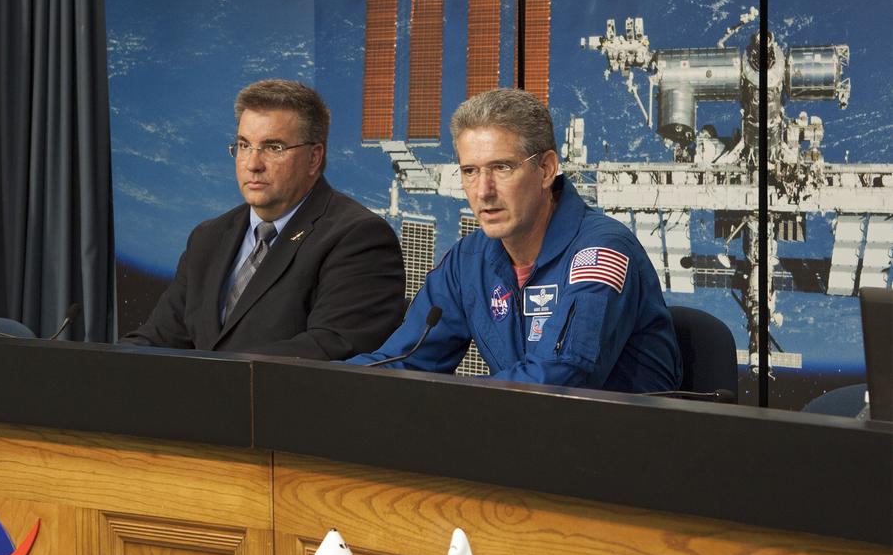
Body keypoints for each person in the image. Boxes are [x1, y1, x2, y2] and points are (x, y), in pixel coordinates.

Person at [348, 87, 681, 390]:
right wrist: (317, 384)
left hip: (622, 446)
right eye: (470, 171)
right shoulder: (468, 260)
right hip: (522, 438)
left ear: (547, 169)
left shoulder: (600, 250)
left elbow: (559, 378)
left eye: (502, 168)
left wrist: (448, 404)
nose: (483, 191)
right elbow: (402, 360)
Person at [123, 79, 406, 358]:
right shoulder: (208, 237)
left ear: (314, 157)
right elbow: (159, 337)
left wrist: (211, 378)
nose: (253, 164)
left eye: (274, 148)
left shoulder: (359, 238)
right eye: (244, 145)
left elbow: (331, 348)